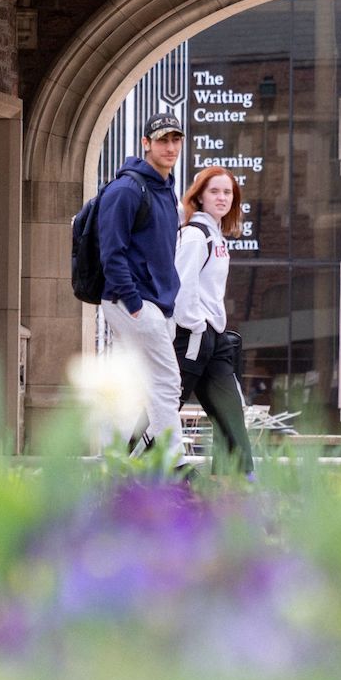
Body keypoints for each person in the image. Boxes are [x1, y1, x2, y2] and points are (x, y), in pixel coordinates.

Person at [96, 111, 185, 456]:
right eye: (163, 139)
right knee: (167, 382)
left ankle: (113, 458)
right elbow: (111, 252)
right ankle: (172, 462)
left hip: (157, 303)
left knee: (131, 388)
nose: (170, 146)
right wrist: (133, 304)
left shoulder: (165, 189)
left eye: (176, 139)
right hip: (132, 301)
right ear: (146, 143)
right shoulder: (127, 189)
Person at [172, 165, 254, 477]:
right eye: (214, 191)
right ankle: (139, 472)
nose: (222, 197)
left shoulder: (215, 236)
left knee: (232, 418)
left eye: (228, 192)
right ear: (200, 197)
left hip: (214, 341)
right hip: (194, 338)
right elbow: (181, 289)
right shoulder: (195, 235)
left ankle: (235, 488)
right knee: (165, 410)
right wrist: (196, 326)